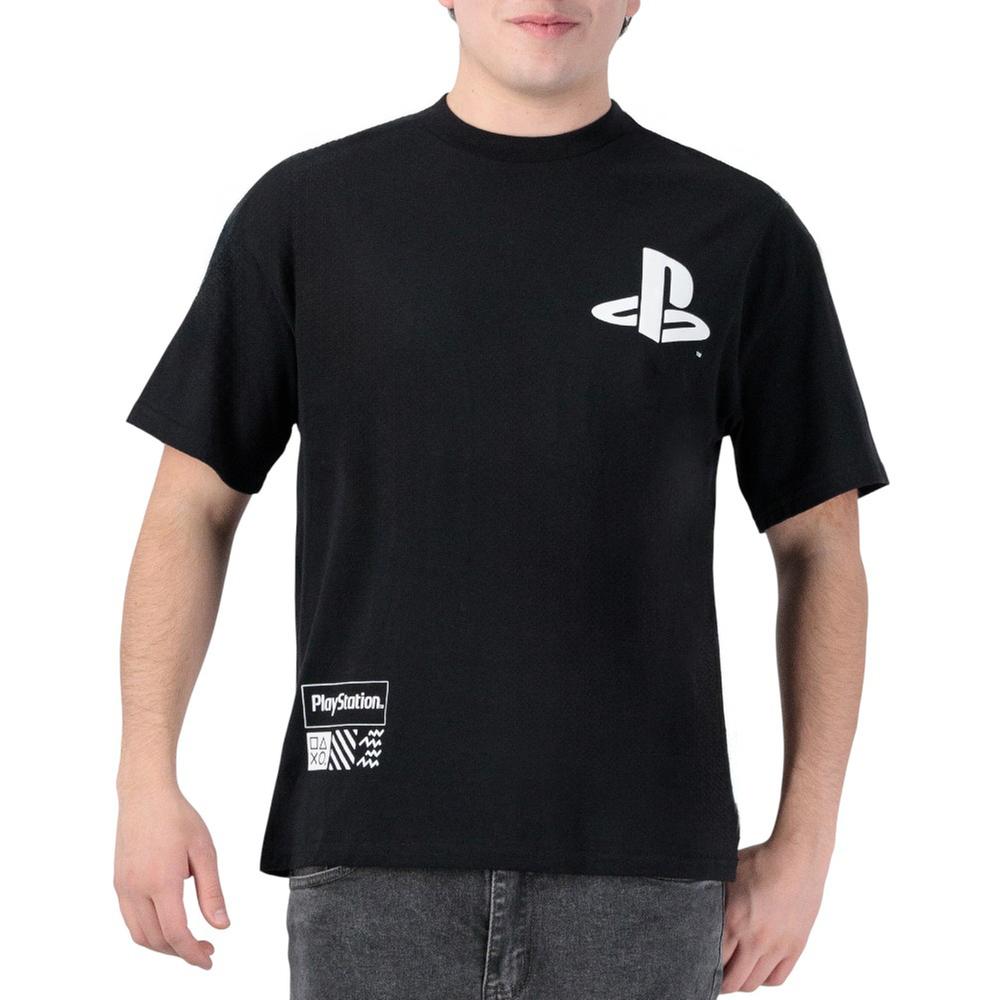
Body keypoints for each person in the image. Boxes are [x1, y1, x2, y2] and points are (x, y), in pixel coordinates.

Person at [113, 2, 888, 997]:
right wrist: (145, 777)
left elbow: (820, 545)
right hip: (371, 859)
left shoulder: (739, 233)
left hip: (643, 879)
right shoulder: (310, 214)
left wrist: (807, 841)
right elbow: (192, 504)